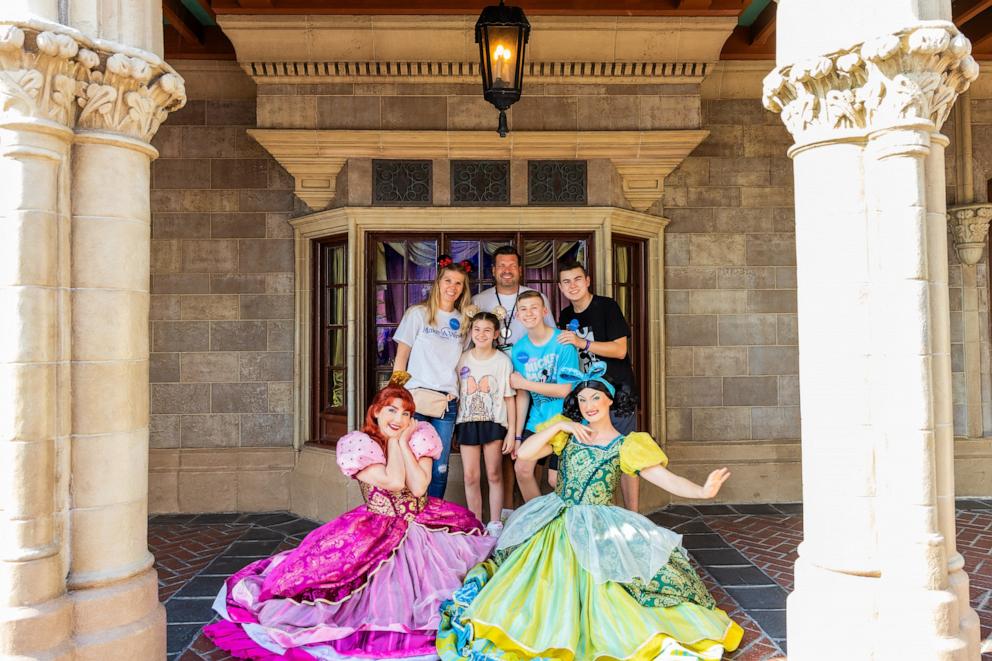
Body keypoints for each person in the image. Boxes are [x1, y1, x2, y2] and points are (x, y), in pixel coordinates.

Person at [436, 365, 743, 660]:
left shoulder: (626, 445)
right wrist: (559, 424)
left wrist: (702, 491)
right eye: (582, 400)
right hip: (556, 517)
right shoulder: (567, 435)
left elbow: (665, 478)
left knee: (611, 588)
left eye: (595, 397)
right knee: (538, 582)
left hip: (600, 523)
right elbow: (526, 455)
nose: (588, 405)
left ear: (610, 399)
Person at [204, 385, 496, 660]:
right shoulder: (360, 446)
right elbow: (394, 481)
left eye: (406, 413)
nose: (399, 418)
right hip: (377, 527)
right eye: (392, 410)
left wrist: (403, 443)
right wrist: (394, 441)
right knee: (349, 585)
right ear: (376, 411)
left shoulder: (420, 437)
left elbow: (419, 488)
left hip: (424, 524)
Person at [557, 260, 642, 511]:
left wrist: (582, 342)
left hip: (618, 395)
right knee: (597, 455)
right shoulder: (566, 315)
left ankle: (632, 516)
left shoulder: (607, 307)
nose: (572, 285)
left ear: (587, 280)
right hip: (587, 399)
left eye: (577, 279)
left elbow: (619, 350)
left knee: (624, 455)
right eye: (566, 281)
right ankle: (605, 514)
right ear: (560, 287)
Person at [393, 256, 473, 499]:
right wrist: (395, 396)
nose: (452, 287)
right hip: (414, 399)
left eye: (458, 283)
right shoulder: (417, 314)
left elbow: (464, 363)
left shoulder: (464, 322)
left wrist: (461, 391)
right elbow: (401, 357)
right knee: (411, 459)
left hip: (445, 402)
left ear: (463, 289)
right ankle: (410, 515)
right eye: (448, 280)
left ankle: (434, 517)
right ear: (438, 282)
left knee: (439, 466)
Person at [508, 290, 580, 501]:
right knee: (522, 469)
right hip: (537, 420)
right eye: (523, 309)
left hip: (565, 418)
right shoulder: (519, 349)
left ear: (544, 310)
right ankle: (539, 520)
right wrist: (518, 436)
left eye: (534, 308)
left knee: (554, 479)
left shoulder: (563, 341)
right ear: (518, 316)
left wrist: (525, 383)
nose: (529, 313)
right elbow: (523, 395)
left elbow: (565, 389)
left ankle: (567, 523)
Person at [455, 312, 516, 536]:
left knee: (494, 473)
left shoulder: (502, 362)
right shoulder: (462, 359)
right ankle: (476, 522)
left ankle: (496, 523)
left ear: (496, 334)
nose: (481, 334)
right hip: (467, 422)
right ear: (471, 332)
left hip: (494, 423)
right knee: (470, 475)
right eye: (477, 329)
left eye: (487, 330)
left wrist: (511, 433)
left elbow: (510, 399)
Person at [472, 245, 555, 350]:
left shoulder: (538, 298)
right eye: (502, 266)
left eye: (512, 266)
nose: (507, 270)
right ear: (493, 270)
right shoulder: (478, 301)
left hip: (531, 363)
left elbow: (551, 336)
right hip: (492, 363)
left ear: (520, 270)